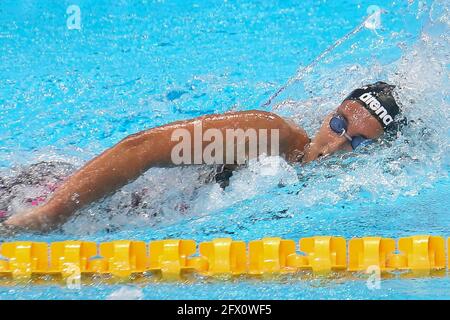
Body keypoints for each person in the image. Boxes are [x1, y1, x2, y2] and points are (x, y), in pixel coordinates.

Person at [2, 81, 403, 232]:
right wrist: (52, 213)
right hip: (55, 194)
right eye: (337, 125)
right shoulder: (267, 135)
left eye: (357, 143)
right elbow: (139, 150)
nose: (334, 146)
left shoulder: (341, 189)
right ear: (330, 111)